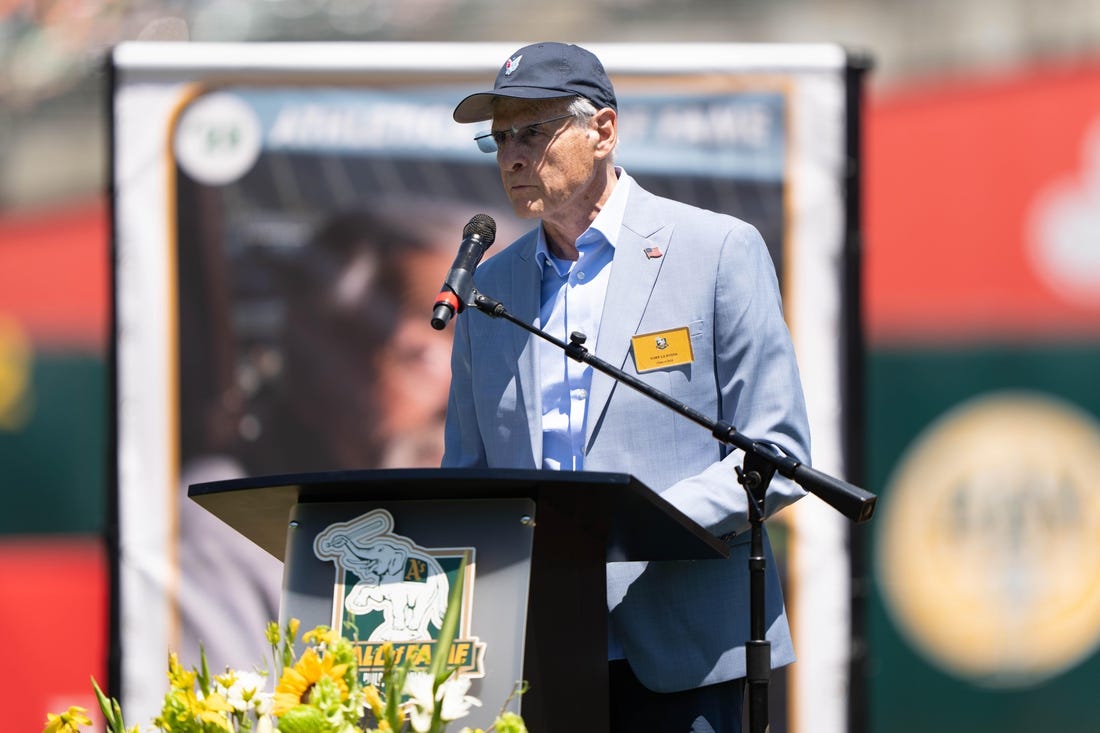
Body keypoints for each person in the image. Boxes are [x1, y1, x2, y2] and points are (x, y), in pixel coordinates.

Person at [442, 42, 812, 732]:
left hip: (681, 648)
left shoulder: (717, 250)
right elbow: (468, 477)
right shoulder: (487, 291)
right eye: (499, 140)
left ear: (603, 130)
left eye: (532, 132)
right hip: (534, 652)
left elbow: (776, 452)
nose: (512, 157)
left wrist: (629, 527)